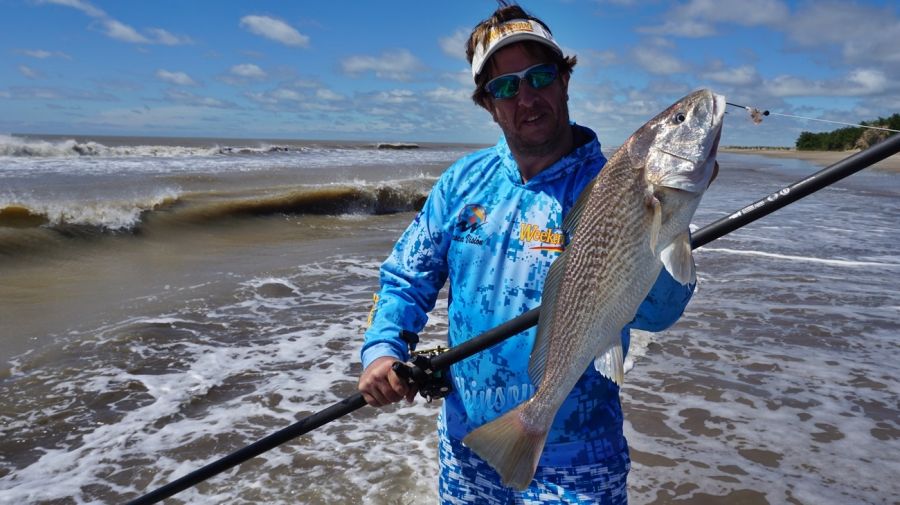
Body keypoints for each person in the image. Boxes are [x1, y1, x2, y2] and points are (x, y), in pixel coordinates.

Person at [358, 4, 696, 504]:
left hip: (578, 457)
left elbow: (661, 313)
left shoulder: (613, 185)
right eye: (505, 86)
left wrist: (668, 222)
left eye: (539, 76)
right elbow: (407, 277)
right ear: (488, 104)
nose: (527, 97)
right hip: (468, 445)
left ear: (564, 80)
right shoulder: (461, 182)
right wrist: (383, 349)